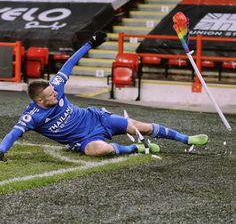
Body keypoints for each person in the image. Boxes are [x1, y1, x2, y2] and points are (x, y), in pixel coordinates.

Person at [0, 31, 208, 161]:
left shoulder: (56, 86)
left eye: (54, 90)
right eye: (50, 94)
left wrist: (89, 44)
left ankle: (186, 138)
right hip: (83, 139)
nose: (55, 93)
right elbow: (13, 134)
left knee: (139, 126)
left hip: (96, 118)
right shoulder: (32, 116)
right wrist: (1, 150)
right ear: (39, 101)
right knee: (100, 150)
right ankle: (134, 149)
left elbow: (69, 64)